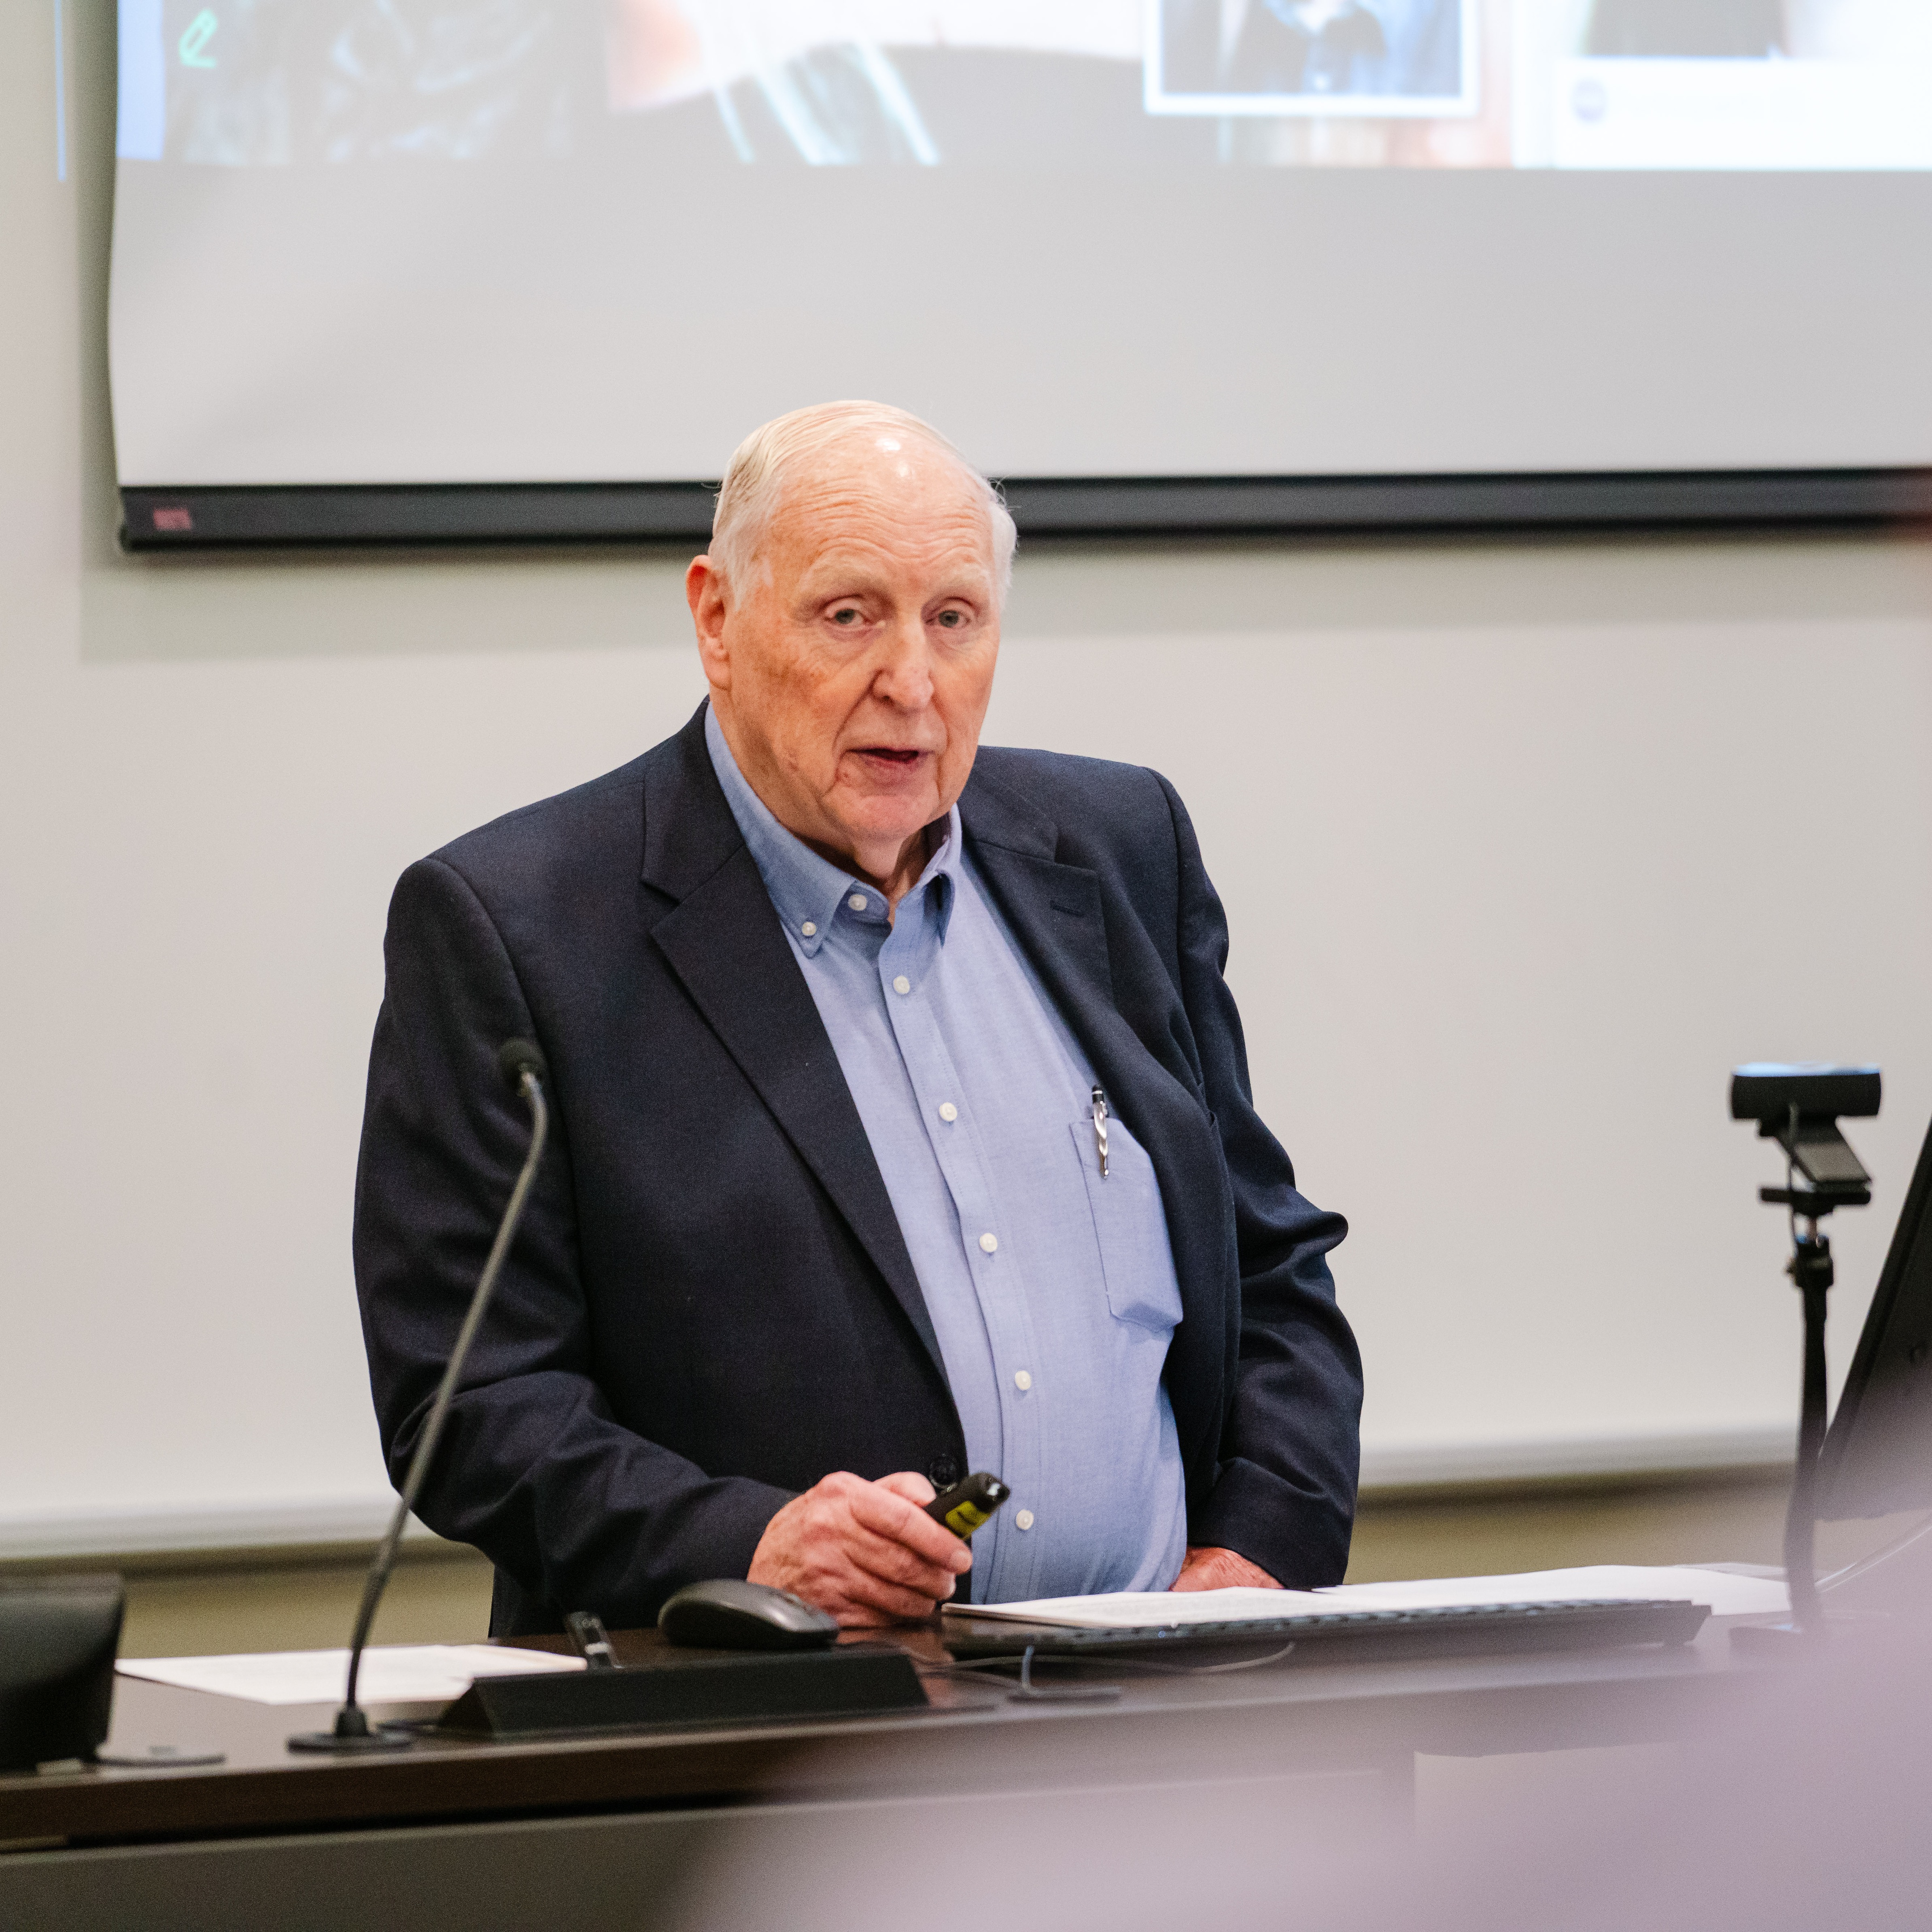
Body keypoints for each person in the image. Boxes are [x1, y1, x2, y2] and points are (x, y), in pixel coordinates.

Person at [352, 401, 1361, 1635]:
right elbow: (469, 1402)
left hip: (1161, 1709)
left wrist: (1262, 1547)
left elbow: (1267, 1264)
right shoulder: (520, 928)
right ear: (717, 620)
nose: (911, 683)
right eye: (850, 616)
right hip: (769, 1741)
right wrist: (750, 1546)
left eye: (954, 620)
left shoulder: (1118, 853)